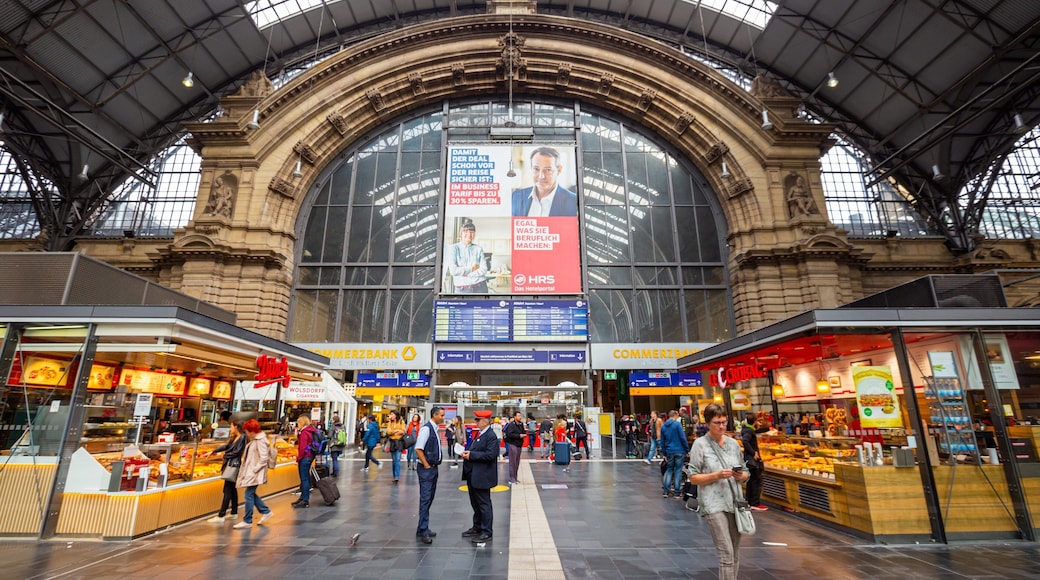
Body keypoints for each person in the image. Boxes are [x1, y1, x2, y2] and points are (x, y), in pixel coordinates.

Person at [688, 403, 751, 580]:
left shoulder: (733, 444)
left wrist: (742, 475)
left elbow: (746, 471)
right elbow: (693, 477)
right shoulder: (700, 445)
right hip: (713, 504)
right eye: (717, 422)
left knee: (735, 552)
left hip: (735, 502)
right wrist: (716, 475)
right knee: (726, 553)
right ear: (708, 423)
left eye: (724, 422)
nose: (722, 426)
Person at [461, 410, 499, 543]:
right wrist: (468, 452)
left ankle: (486, 531)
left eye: (478, 420)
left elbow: (490, 455)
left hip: (482, 475)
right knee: (475, 502)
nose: (476, 422)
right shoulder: (480, 434)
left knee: (484, 503)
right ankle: (477, 526)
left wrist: (471, 455)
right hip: (474, 474)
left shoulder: (491, 436)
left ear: (485, 421)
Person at [510, 146, 579, 217]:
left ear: (559, 170)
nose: (541, 176)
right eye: (536, 169)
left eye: (548, 170)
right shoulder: (516, 197)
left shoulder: (573, 201)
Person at [232, 419, 274, 529]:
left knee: (248, 494)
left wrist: (254, 469)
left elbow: (263, 458)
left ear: (251, 431)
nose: (245, 433)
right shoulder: (257, 440)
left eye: (246, 431)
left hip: (254, 473)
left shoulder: (260, 441)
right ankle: (265, 511)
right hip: (253, 472)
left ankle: (248, 520)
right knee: (250, 494)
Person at [204, 419, 244, 522]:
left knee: (227, 490)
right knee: (232, 490)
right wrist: (214, 451)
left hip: (233, 466)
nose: (230, 428)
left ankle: (221, 515)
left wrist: (224, 455)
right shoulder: (235, 437)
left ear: (236, 426)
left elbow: (237, 452)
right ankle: (234, 512)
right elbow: (227, 446)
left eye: (231, 426)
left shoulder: (242, 438)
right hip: (231, 465)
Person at [415, 406, 445, 544]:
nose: (443, 417)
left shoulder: (434, 429)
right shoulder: (426, 429)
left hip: (433, 468)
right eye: (441, 415)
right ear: (435, 415)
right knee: (425, 498)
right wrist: (426, 465)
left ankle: (422, 527)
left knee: (429, 498)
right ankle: (423, 529)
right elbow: (418, 449)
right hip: (427, 469)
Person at [446, 221, 488, 293]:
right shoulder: (453, 248)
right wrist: (472, 268)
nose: (469, 234)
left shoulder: (478, 249)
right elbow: (454, 271)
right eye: (465, 231)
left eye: (472, 232)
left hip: (480, 287)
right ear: (460, 234)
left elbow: (484, 269)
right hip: (462, 290)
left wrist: (466, 274)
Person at [740, 412, 768, 511]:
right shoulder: (749, 431)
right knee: (756, 480)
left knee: (751, 481)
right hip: (753, 461)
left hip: (748, 460)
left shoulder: (746, 429)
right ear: (755, 422)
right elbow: (745, 441)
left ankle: (749, 502)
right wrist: (754, 453)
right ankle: (755, 503)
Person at [660, 409, 690, 498]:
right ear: (675, 416)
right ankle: (677, 492)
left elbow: (662, 441)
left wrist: (664, 453)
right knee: (678, 471)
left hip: (669, 451)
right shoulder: (677, 425)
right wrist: (687, 450)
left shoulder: (664, 426)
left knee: (669, 470)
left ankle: (666, 491)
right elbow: (682, 438)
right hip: (679, 450)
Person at [292, 415, 319, 508]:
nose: (297, 425)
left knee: (304, 479)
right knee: (306, 478)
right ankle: (303, 498)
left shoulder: (304, 432)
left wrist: (298, 459)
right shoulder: (310, 431)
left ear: (301, 423)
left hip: (305, 457)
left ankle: (305, 499)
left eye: (298, 423)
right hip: (310, 456)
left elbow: (302, 447)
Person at [503, 411, 525, 484]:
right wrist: (519, 436)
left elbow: (523, 431)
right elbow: (509, 434)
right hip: (513, 444)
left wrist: (523, 434)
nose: (520, 417)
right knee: (513, 462)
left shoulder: (521, 424)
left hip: (519, 445)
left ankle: (515, 477)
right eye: (518, 416)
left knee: (517, 462)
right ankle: (512, 479)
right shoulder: (511, 425)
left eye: (520, 416)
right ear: (515, 417)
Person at [385, 410, 406, 483]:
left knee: (397, 459)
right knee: (394, 460)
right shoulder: (390, 422)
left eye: (392, 414)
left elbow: (402, 431)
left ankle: (397, 476)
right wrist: (395, 431)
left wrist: (394, 431)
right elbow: (388, 431)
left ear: (396, 415)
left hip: (399, 442)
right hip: (392, 442)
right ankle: (394, 476)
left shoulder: (401, 422)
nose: (391, 416)